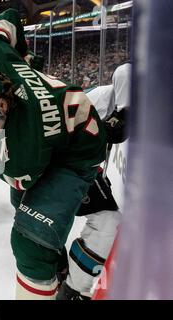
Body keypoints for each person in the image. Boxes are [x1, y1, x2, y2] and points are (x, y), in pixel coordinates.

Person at [0, 8, 106, 299]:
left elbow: (19, 178)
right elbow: (9, 17)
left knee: (31, 241)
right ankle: (57, 265)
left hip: (76, 151)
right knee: (22, 203)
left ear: (2, 105)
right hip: (48, 127)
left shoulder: (24, 148)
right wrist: (23, 60)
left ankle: (64, 284)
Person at [56, 63, 130, 300]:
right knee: (107, 220)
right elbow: (125, 70)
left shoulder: (101, 96)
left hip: (75, 163)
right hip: (67, 165)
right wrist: (124, 112)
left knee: (108, 220)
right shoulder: (101, 97)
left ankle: (70, 281)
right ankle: (72, 289)